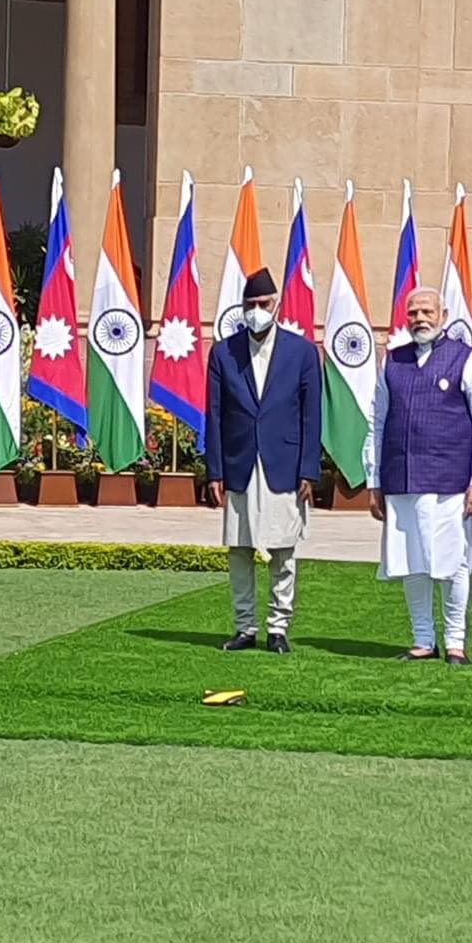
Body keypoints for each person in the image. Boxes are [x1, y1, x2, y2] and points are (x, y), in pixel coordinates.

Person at [367, 286, 472, 666]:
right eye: (413, 313)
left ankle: (455, 641)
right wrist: (374, 481)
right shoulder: (393, 362)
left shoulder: (466, 359)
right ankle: (423, 639)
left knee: (453, 563)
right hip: (401, 479)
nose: (420, 319)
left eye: (427, 311)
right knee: (411, 562)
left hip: (450, 483)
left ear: (443, 316)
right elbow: (377, 422)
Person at [205, 268, 323, 654]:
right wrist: (214, 471)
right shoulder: (224, 352)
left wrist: (309, 469)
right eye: (251, 304)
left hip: (283, 463)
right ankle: (245, 627)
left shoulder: (302, 352)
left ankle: (278, 627)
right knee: (240, 548)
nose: (257, 311)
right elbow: (215, 415)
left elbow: (311, 415)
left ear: (277, 305)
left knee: (283, 549)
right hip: (239, 462)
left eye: (264, 304)